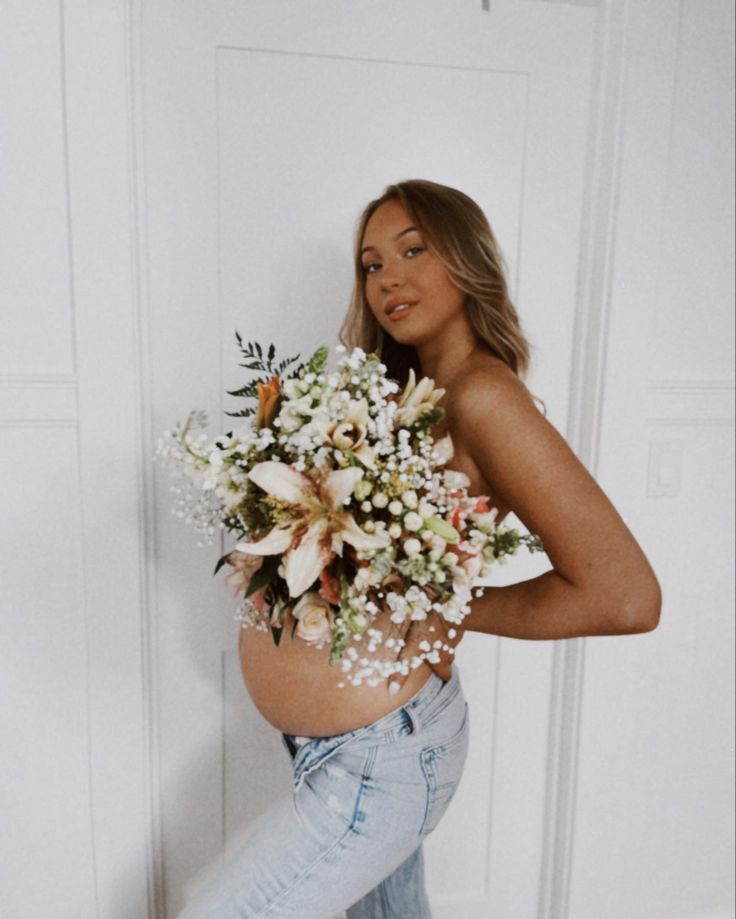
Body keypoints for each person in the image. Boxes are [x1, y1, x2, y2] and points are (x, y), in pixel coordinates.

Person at [177, 179, 661, 918]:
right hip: (345, 750)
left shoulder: (482, 396)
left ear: (466, 260)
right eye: (371, 264)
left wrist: (459, 610)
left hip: (384, 758)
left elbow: (624, 594)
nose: (388, 279)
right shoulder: (402, 396)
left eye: (413, 250)